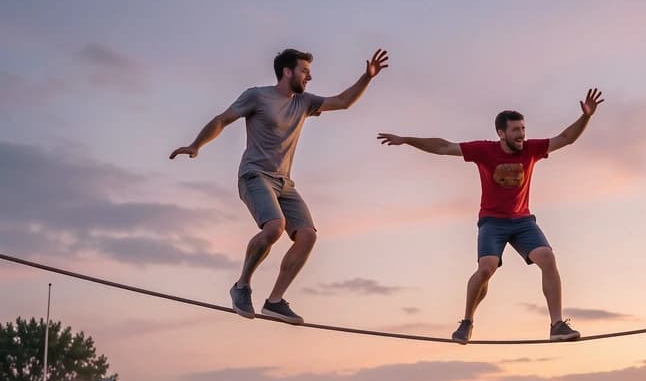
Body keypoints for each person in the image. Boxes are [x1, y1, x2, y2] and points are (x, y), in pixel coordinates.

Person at [171, 46, 388, 325]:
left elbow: (344, 101)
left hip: (285, 184)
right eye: (305, 71)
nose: (309, 77)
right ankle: (241, 286)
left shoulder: (305, 102)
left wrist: (367, 77)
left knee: (308, 235)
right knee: (275, 227)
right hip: (255, 175)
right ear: (288, 72)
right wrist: (196, 145)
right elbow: (222, 119)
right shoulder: (257, 96)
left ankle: (274, 302)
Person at [378, 91, 604, 343]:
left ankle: (557, 325)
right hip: (492, 222)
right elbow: (443, 146)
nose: (522, 135)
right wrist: (406, 139)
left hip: (522, 221)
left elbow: (566, 138)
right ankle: (466, 322)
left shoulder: (531, 149)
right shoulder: (484, 150)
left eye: (523, 129)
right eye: (516, 130)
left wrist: (585, 117)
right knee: (486, 268)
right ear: (501, 133)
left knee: (547, 258)